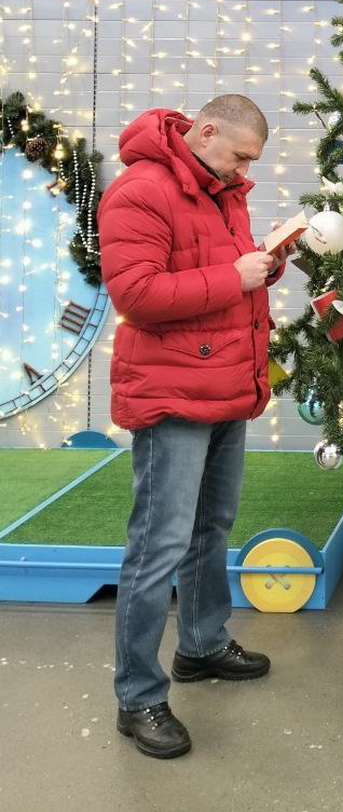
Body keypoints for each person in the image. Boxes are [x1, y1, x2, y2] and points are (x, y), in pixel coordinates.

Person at [98, 95, 289, 759]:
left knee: (211, 526)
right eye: (239, 155)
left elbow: (221, 273)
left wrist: (264, 262)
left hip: (224, 384)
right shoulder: (139, 191)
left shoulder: (220, 188)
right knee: (157, 547)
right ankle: (138, 696)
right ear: (206, 131)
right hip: (172, 395)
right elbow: (137, 294)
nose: (245, 173)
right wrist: (232, 275)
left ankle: (203, 644)